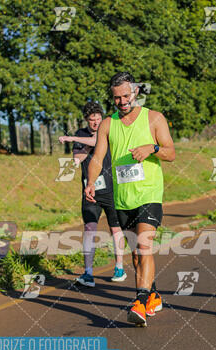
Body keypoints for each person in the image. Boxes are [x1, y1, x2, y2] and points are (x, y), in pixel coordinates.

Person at [85, 72, 175, 327]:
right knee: (136, 254)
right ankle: (154, 293)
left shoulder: (154, 118)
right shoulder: (107, 124)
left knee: (144, 246)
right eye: (117, 98)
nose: (122, 101)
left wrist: (152, 149)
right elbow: (97, 158)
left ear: (136, 92)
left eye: (126, 95)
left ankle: (140, 301)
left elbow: (171, 153)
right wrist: (90, 182)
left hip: (149, 194)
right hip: (122, 198)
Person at [59, 102, 126, 287]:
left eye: (98, 119)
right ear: (86, 120)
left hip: (112, 189)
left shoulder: (107, 129)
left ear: (102, 118)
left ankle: (119, 267)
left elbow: (99, 141)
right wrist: (84, 145)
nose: (96, 123)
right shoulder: (81, 134)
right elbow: (77, 158)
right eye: (92, 120)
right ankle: (88, 273)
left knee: (115, 228)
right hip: (90, 190)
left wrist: (72, 138)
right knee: (89, 229)